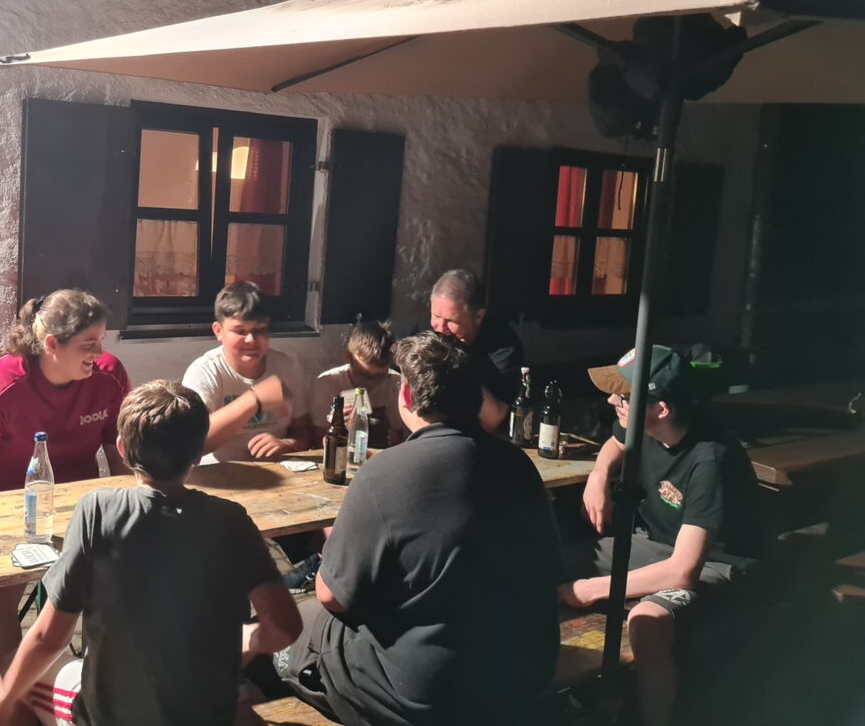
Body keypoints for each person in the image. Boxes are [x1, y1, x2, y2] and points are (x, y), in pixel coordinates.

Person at [271, 331, 561, 726]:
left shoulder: (386, 472)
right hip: (527, 670)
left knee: (289, 625)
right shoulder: (518, 464)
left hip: (431, 694)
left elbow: (332, 597)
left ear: (406, 396)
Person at [0, 380, 302, 726]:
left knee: (12, 671)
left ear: (122, 448)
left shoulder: (97, 511)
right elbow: (284, 629)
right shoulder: (232, 520)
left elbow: (49, 638)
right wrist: (247, 640)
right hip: (207, 713)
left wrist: (1, 699)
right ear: (198, 453)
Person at [0, 289, 131, 707]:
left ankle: (103, 697)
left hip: (76, 504)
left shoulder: (109, 375)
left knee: (125, 583)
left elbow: (121, 455)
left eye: (101, 340)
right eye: (89, 343)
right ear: (52, 344)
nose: (99, 353)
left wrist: (133, 519)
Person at [560, 345, 769, 726]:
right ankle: (573, 691)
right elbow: (616, 443)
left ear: (661, 408)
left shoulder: (710, 457)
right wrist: (599, 476)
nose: (612, 401)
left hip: (719, 564)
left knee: (648, 620)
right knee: (554, 559)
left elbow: (683, 571)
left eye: (624, 396)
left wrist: (590, 588)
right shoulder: (645, 425)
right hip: (659, 545)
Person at [182, 281, 312, 461]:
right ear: (219, 331)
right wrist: (254, 399)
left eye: (260, 330)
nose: (251, 340)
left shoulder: (285, 365)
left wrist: (287, 444)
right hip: (220, 472)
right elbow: (190, 446)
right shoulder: (204, 372)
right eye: (240, 331)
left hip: (276, 471)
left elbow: (303, 431)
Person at [400, 269, 522, 428]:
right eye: (436, 316)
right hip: (423, 427)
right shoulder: (421, 328)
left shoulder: (503, 345)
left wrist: (454, 360)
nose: (440, 328)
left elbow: (495, 418)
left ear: (478, 317)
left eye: (452, 321)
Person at [308, 320, 404, 446]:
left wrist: (394, 438)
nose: (370, 383)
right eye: (363, 375)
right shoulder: (327, 383)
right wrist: (336, 427)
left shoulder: (395, 382)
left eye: (379, 376)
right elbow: (317, 440)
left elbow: (399, 434)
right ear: (348, 357)